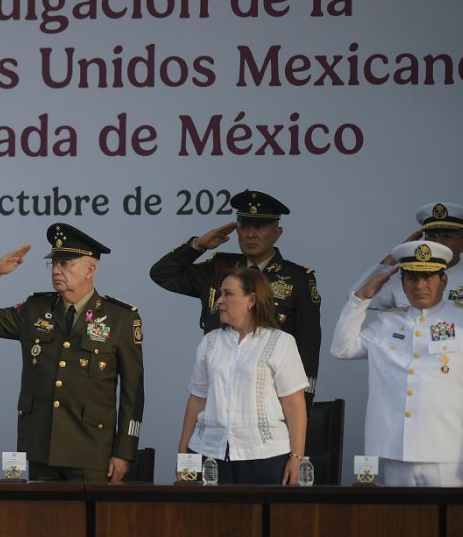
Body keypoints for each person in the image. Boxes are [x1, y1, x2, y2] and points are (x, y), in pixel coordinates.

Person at [0, 224, 143, 483]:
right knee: (43, 523)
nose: (56, 270)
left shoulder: (121, 319)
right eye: (54, 263)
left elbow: (133, 394)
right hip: (41, 447)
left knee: (90, 523)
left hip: (90, 451)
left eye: (66, 263)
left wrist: (124, 452)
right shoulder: (35, 309)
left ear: (90, 269)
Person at [149, 189, 322, 401]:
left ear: (277, 233)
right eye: (244, 226)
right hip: (220, 394)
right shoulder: (218, 269)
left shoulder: (298, 279)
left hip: (271, 398)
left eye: (259, 227)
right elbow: (162, 274)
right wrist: (198, 245)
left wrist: (302, 408)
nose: (250, 234)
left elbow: (308, 348)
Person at [331, 240, 463, 487]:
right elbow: (341, 349)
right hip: (396, 449)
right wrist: (360, 299)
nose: (419, 286)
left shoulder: (460, 321)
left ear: (443, 281)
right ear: (402, 284)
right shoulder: (387, 324)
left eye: (428, 278)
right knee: (400, 524)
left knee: (450, 524)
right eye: (411, 278)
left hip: (448, 452)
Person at [177, 268, 309, 485]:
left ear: (252, 300)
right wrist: (183, 452)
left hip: (265, 456)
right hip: (208, 452)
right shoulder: (210, 341)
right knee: (208, 518)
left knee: (261, 518)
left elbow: (294, 403)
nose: (219, 301)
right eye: (220, 294)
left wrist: (296, 457)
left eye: (228, 294)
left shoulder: (281, 342)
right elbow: (197, 399)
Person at [348, 202, 463, 309]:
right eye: (432, 235)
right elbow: (357, 295)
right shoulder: (409, 277)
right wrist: (397, 254)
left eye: (447, 236)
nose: (438, 241)